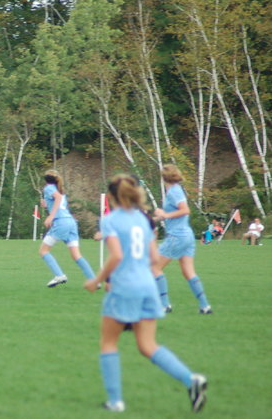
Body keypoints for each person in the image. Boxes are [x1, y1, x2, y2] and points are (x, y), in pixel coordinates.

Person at [84, 174, 208, 413]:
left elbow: (117, 255)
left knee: (108, 343)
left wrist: (97, 280)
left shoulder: (110, 220)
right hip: (147, 286)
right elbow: (153, 257)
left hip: (124, 287)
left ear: (111, 196)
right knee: (147, 345)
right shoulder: (143, 219)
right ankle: (191, 380)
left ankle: (115, 401)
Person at [152, 164, 212, 314]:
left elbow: (185, 210)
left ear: (163, 177)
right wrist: (156, 218)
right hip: (186, 236)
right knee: (188, 272)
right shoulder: (176, 190)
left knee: (154, 268)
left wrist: (165, 215)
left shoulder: (174, 191)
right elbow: (174, 214)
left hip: (177, 236)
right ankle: (205, 306)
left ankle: (164, 305)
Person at [39, 170, 95, 287]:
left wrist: (51, 216)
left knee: (43, 251)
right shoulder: (59, 189)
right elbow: (59, 202)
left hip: (61, 223)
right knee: (76, 255)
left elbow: (58, 198)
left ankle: (59, 275)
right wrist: (46, 205)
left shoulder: (49, 188)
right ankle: (94, 280)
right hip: (71, 222)